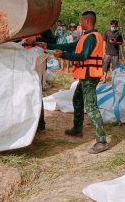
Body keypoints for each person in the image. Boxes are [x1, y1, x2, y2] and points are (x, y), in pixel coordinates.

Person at [47, 11, 109, 154]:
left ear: (87, 20)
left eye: (82, 20)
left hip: (89, 76)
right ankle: (77, 129)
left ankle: (102, 141)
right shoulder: (86, 36)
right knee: (77, 99)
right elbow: (71, 46)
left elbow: (82, 56)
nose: (80, 23)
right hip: (85, 75)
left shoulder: (92, 37)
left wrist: (64, 55)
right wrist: (50, 45)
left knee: (91, 106)